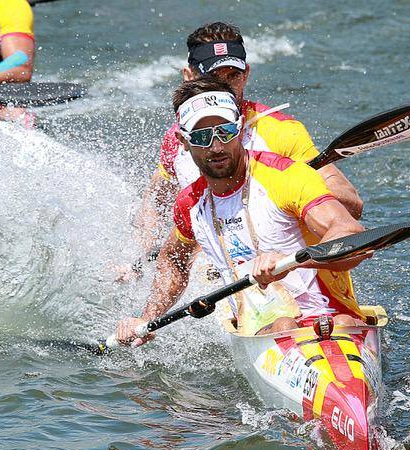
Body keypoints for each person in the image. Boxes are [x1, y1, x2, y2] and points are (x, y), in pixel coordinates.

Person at [115, 77, 370, 347]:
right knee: (283, 325)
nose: (216, 147)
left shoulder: (287, 176)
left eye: (225, 132)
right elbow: (173, 262)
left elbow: (353, 236)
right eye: (202, 137)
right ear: (183, 141)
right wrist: (146, 319)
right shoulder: (190, 204)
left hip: (334, 319)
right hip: (262, 326)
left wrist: (294, 260)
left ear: (239, 128)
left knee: (341, 323)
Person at [124, 21, 362, 280]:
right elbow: (155, 201)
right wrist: (139, 258)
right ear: (189, 77)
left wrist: (297, 184)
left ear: (246, 73)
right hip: (217, 266)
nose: (225, 86)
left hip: (281, 269)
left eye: (233, 76)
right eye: (214, 78)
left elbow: (352, 204)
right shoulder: (179, 137)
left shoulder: (280, 131)